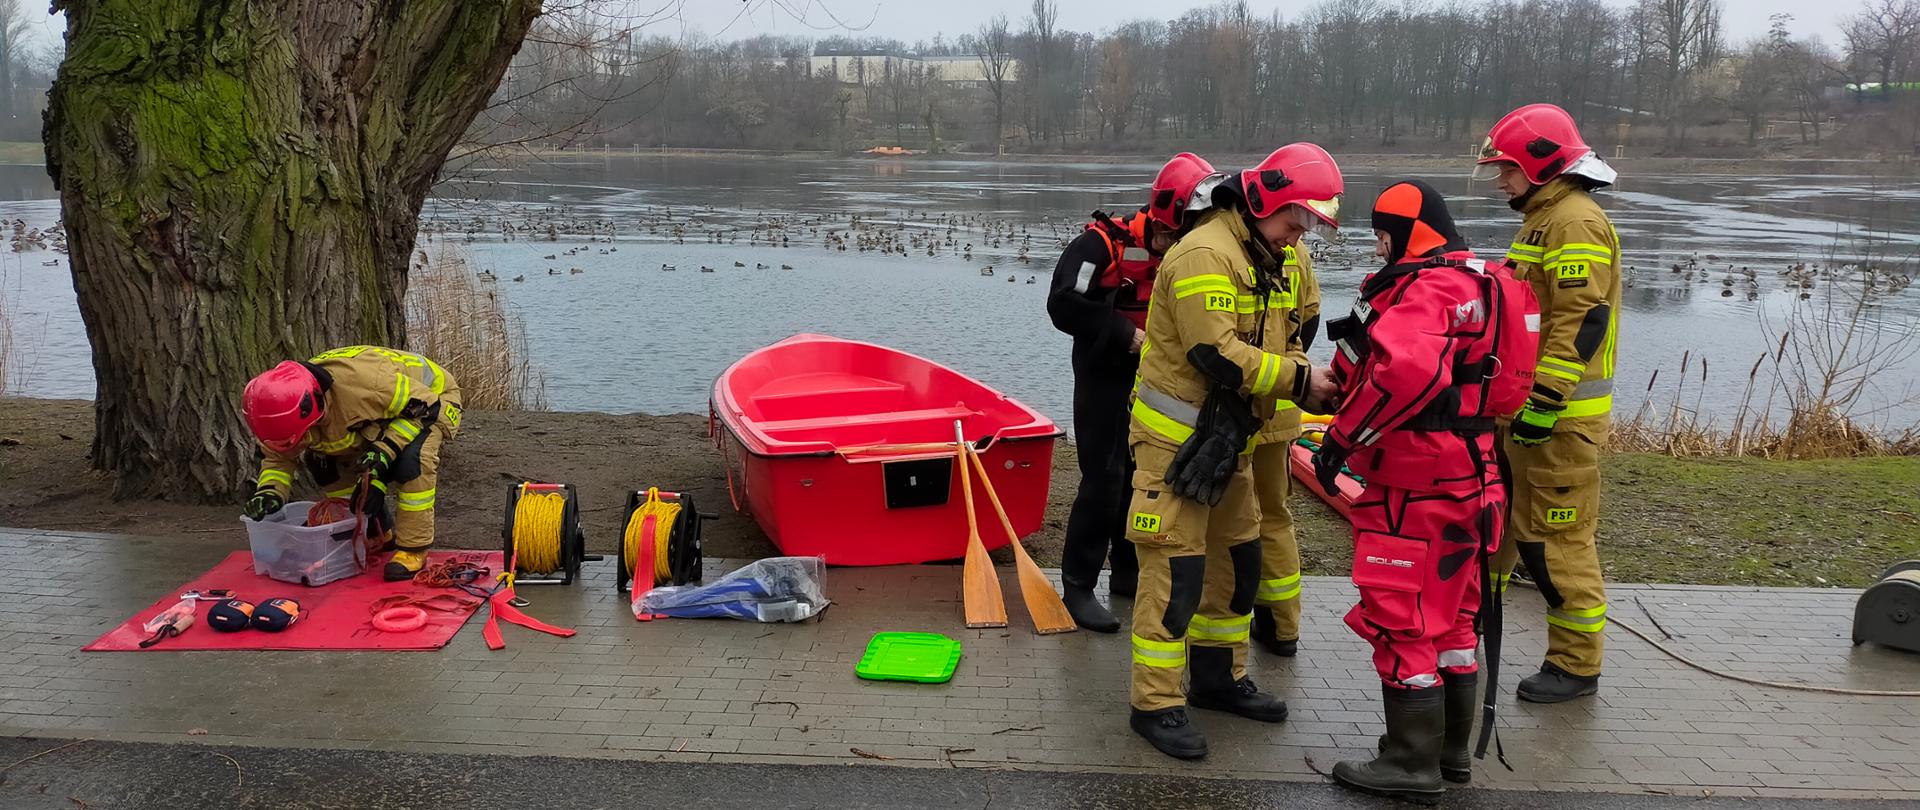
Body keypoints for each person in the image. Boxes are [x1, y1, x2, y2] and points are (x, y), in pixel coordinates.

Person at [1318, 180, 1537, 801]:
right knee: (1455, 620)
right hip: (1478, 475)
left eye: (1382, 235)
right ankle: (1450, 753)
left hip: (1414, 482)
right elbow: (1507, 383)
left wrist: (1341, 439)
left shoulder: (1427, 289)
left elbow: (1405, 373)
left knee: (1401, 617)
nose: (1378, 248)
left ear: (1407, 232)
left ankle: (1410, 763)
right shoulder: (1494, 284)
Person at [1122, 143, 1342, 760]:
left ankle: (1219, 678)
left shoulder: (1268, 254)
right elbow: (1214, 353)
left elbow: (1288, 333)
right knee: (1175, 576)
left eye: (1308, 225)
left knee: (1239, 562)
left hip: (1227, 441)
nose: (1300, 234)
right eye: (1296, 220)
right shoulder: (1204, 254)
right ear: (1265, 202)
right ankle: (1155, 704)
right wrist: (1299, 381)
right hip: (1173, 445)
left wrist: (1303, 369)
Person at [1475, 103, 1622, 703]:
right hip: (1523, 416)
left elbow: (1579, 320)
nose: (1500, 181)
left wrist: (1545, 400)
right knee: (1499, 531)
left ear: (1540, 165)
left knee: (1554, 543)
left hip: (1557, 423)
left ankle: (1576, 665)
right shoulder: (1545, 219)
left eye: (1506, 169)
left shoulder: (1574, 222)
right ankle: (1474, 622)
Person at [1046, 153, 1224, 632]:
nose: (1177, 241)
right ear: (1163, 218)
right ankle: (1078, 585)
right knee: (1103, 480)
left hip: (1158, 380)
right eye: (1172, 234)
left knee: (1141, 479)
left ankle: (1127, 571)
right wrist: (1126, 334)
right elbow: (1063, 303)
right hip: (1105, 374)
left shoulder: (1195, 252)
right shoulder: (1100, 245)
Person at [241, 345, 463, 581]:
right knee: (323, 463)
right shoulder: (277, 411)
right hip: (377, 416)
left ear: (312, 407)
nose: (292, 443)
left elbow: (423, 407)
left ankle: (413, 548)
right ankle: (373, 531)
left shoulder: (367, 388)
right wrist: (270, 492)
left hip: (431, 400)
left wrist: (384, 453)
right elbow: (278, 458)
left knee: (411, 463)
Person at [1248, 240, 1319, 657]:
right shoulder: (1298, 252)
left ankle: (1218, 630)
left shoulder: (1216, 247)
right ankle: (1281, 627)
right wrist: (1289, 372)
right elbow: (1308, 321)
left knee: (1225, 522)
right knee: (1274, 516)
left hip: (1235, 406)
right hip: (1282, 402)